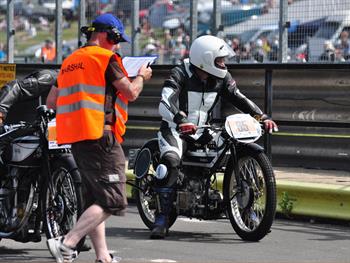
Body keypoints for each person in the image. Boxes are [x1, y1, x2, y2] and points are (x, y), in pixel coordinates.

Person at [46, 13, 152, 263]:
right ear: (107, 36)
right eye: (117, 41)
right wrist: (141, 77)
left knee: (95, 197)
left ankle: (102, 256)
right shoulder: (106, 58)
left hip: (77, 138)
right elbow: (132, 93)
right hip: (101, 136)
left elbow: (52, 101)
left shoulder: (70, 61)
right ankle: (67, 242)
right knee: (114, 199)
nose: (118, 46)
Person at [151, 35, 278, 239]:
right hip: (176, 129)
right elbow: (165, 101)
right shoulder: (180, 73)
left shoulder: (221, 78)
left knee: (233, 148)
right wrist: (180, 119)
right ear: (205, 59)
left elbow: (238, 97)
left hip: (204, 130)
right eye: (219, 60)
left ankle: (247, 214)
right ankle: (162, 218)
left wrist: (261, 116)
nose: (223, 64)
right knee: (171, 161)